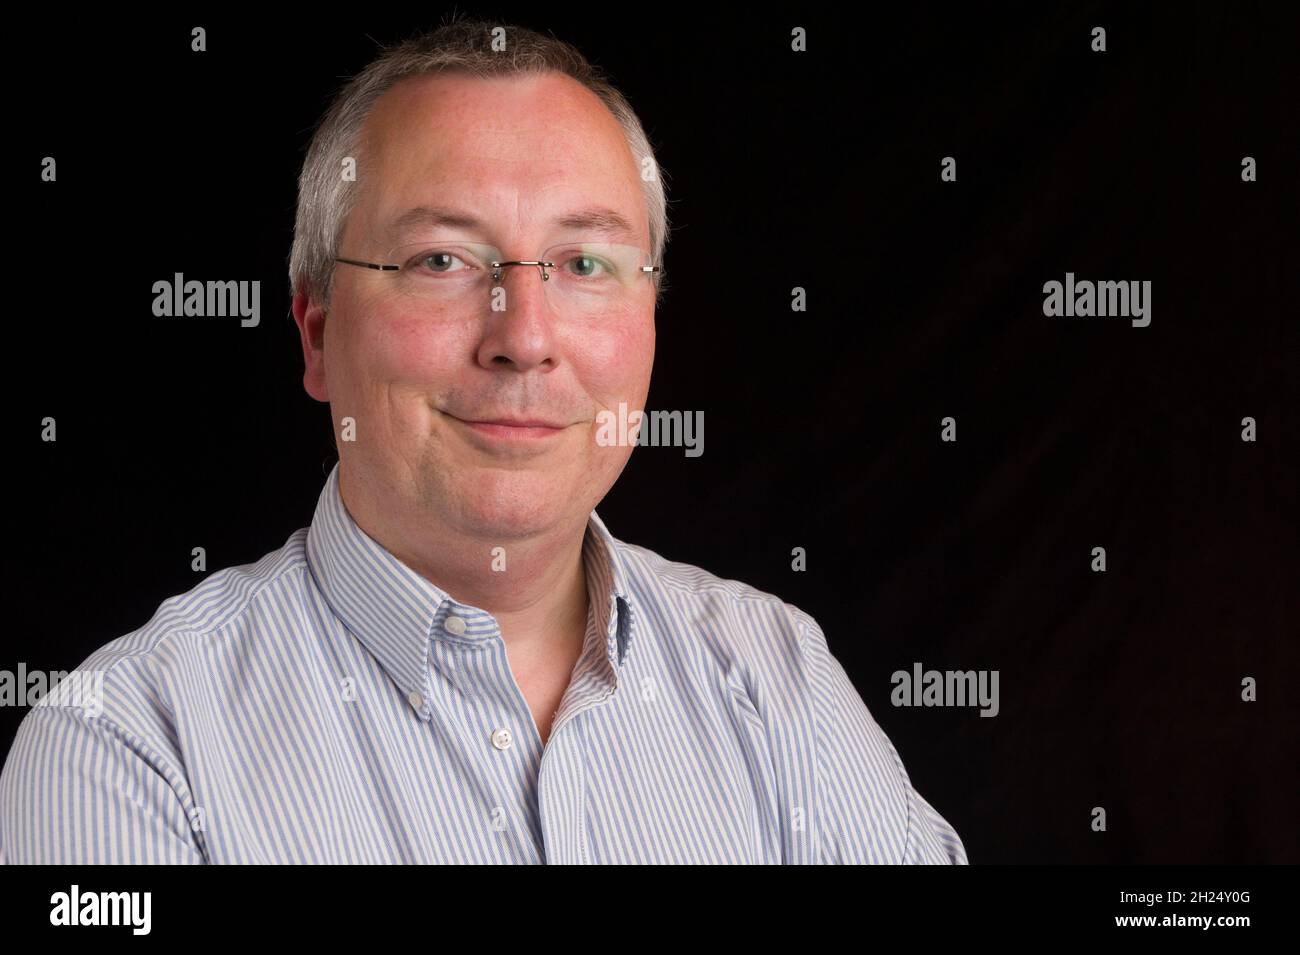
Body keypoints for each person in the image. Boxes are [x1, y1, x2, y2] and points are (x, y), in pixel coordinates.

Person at [0, 19, 967, 864]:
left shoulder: (777, 673)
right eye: (442, 260)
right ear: (319, 334)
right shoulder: (130, 745)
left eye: (586, 261)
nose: (525, 335)